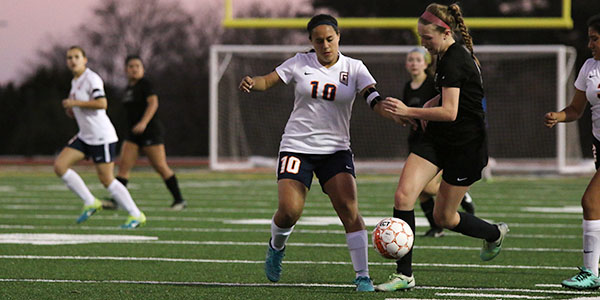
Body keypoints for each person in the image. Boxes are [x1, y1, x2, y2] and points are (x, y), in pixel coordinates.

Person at [237, 14, 405, 292]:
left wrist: (390, 112)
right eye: (319, 40)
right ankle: (276, 247)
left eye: (330, 39)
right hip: (296, 146)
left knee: (349, 210)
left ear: (338, 37)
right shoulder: (300, 62)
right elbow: (268, 80)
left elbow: (372, 97)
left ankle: (362, 275)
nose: (325, 45)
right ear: (311, 42)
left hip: (335, 150)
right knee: (290, 211)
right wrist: (252, 82)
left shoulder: (355, 67)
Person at [374, 3, 509, 291]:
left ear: (445, 32)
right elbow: (447, 100)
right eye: (420, 38)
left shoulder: (455, 58)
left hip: (466, 147)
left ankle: (494, 233)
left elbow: (451, 111)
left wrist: (409, 112)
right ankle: (404, 275)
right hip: (437, 139)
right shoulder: (445, 55)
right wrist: (424, 106)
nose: (423, 44)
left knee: (444, 218)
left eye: (427, 38)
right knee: (403, 195)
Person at [53, 46, 146, 229]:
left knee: (107, 180)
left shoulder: (91, 78)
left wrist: (75, 103)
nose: (72, 60)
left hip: (101, 136)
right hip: (85, 136)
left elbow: (102, 103)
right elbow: (84, 107)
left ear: (85, 59)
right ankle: (90, 202)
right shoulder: (75, 81)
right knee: (60, 166)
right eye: (69, 57)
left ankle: (136, 214)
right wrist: (74, 110)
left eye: (77, 56)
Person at [545, 13, 600, 290]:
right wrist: (559, 115)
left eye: (595, 38)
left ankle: (591, 273)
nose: (589, 44)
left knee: (591, 202)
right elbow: (576, 109)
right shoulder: (589, 66)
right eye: (589, 38)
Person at [401, 46, 475, 238]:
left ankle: (461, 196)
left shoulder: (432, 84)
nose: (414, 63)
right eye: (410, 60)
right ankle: (437, 228)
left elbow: (445, 108)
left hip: (435, 142)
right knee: (421, 193)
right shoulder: (408, 87)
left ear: (426, 63)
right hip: (416, 141)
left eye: (418, 59)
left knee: (425, 187)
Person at [106, 55, 186, 211]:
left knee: (160, 167)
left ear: (142, 69)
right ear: (125, 69)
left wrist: (143, 123)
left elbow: (153, 103)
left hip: (150, 132)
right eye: (131, 66)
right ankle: (117, 200)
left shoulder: (145, 84)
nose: (134, 69)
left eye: (137, 66)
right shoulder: (128, 89)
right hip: (132, 134)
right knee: (123, 167)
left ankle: (179, 200)